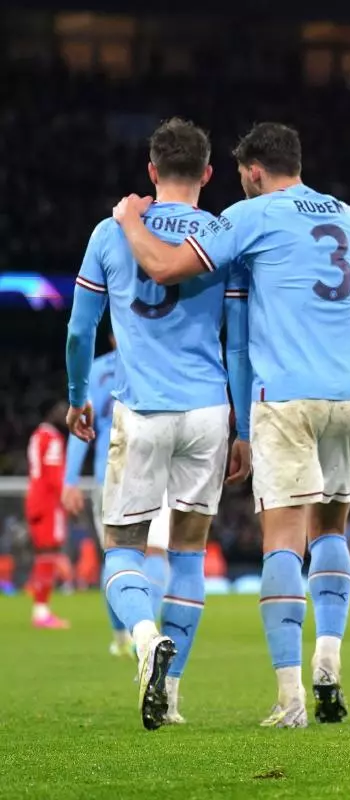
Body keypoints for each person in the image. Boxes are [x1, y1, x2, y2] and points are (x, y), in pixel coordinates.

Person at [111, 121, 350, 730]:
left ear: (254, 172)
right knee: (331, 529)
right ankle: (329, 661)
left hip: (288, 395)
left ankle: (289, 698)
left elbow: (166, 267)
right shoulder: (349, 218)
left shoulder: (253, 215)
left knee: (283, 540)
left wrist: (130, 222)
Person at [67, 118, 251, 729]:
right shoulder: (224, 234)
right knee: (190, 553)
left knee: (122, 548)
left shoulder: (108, 231)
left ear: (151, 170)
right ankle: (170, 697)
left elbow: (78, 330)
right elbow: (240, 345)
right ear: (206, 173)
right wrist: (244, 427)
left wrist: (76, 398)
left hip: (141, 409)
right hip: (207, 411)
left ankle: (144, 637)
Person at [62, 336, 170, 657]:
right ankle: (142, 635)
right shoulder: (162, 362)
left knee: (118, 555)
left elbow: (82, 425)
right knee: (153, 554)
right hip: (154, 466)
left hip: (111, 471)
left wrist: (70, 481)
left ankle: (130, 636)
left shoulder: (97, 371)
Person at [26, 400, 70, 630]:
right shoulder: (52, 438)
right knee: (48, 554)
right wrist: (67, 498)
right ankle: (41, 613)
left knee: (44, 554)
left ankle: (40, 609)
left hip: (34, 498)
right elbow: (55, 476)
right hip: (48, 501)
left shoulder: (37, 434)